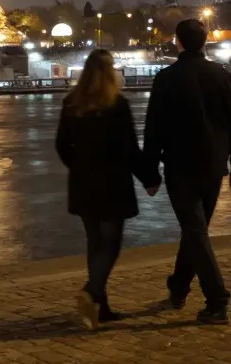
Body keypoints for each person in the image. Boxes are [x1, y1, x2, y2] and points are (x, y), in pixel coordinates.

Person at [142, 19, 231, 325]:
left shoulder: (166, 78)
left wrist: (150, 175)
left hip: (180, 166)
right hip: (215, 166)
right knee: (195, 231)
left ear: (178, 42)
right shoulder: (222, 75)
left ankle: (217, 299)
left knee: (195, 231)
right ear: (205, 42)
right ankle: (178, 288)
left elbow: (154, 130)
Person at [55, 49, 160, 330]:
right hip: (112, 183)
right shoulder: (117, 105)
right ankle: (91, 291)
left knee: (94, 243)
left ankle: (101, 308)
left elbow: (62, 147)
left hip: (83, 184)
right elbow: (129, 149)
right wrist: (150, 177)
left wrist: (78, 167)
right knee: (111, 244)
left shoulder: (70, 103)